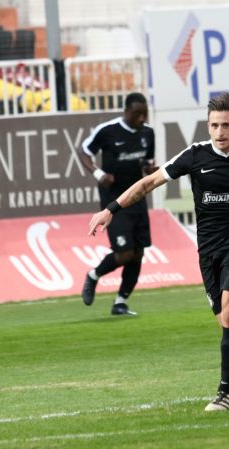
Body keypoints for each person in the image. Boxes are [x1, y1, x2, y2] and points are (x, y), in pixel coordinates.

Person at [88, 93, 229, 412]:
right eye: (214, 125)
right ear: (208, 126)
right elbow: (148, 183)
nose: (220, 132)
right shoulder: (195, 155)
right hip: (208, 249)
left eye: (226, 125)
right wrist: (110, 209)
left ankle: (225, 393)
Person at [79, 92, 156, 315]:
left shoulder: (148, 133)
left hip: (137, 199)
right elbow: (83, 151)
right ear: (126, 111)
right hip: (113, 203)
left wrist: (150, 169)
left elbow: (146, 164)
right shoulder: (108, 130)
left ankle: (120, 302)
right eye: (137, 113)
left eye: (144, 113)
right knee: (124, 253)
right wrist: (99, 174)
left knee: (138, 253)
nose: (141, 118)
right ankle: (93, 275)